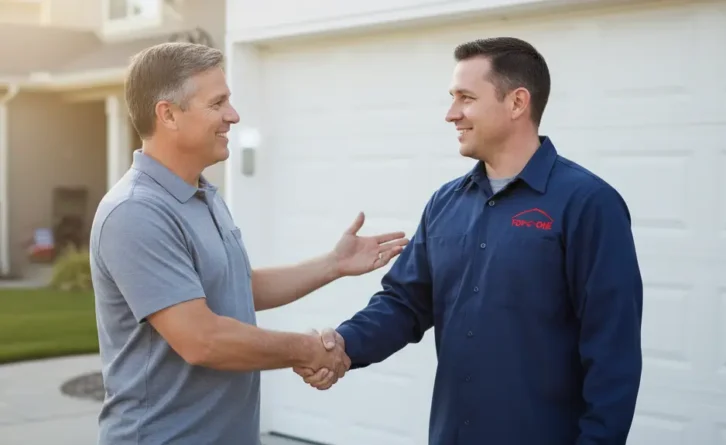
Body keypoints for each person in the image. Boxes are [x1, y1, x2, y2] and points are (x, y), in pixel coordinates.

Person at [296, 37, 644, 444]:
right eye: (452, 98)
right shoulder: (445, 203)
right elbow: (404, 303)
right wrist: (342, 344)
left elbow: (612, 351)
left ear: (517, 103)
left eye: (465, 98)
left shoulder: (588, 204)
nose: (450, 114)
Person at [89, 42, 409, 445]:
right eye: (217, 103)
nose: (233, 116)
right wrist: (307, 349)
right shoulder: (136, 212)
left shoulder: (202, 195)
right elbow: (202, 339)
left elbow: (239, 286)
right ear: (167, 114)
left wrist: (333, 264)